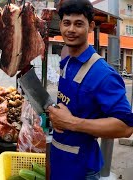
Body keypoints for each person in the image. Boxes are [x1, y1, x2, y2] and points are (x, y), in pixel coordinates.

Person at [47, 0, 133, 179]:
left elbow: (125, 127)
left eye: (78, 24)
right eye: (66, 23)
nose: (71, 30)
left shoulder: (103, 74)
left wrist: (71, 122)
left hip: (82, 168)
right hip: (59, 160)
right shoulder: (67, 60)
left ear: (91, 26)